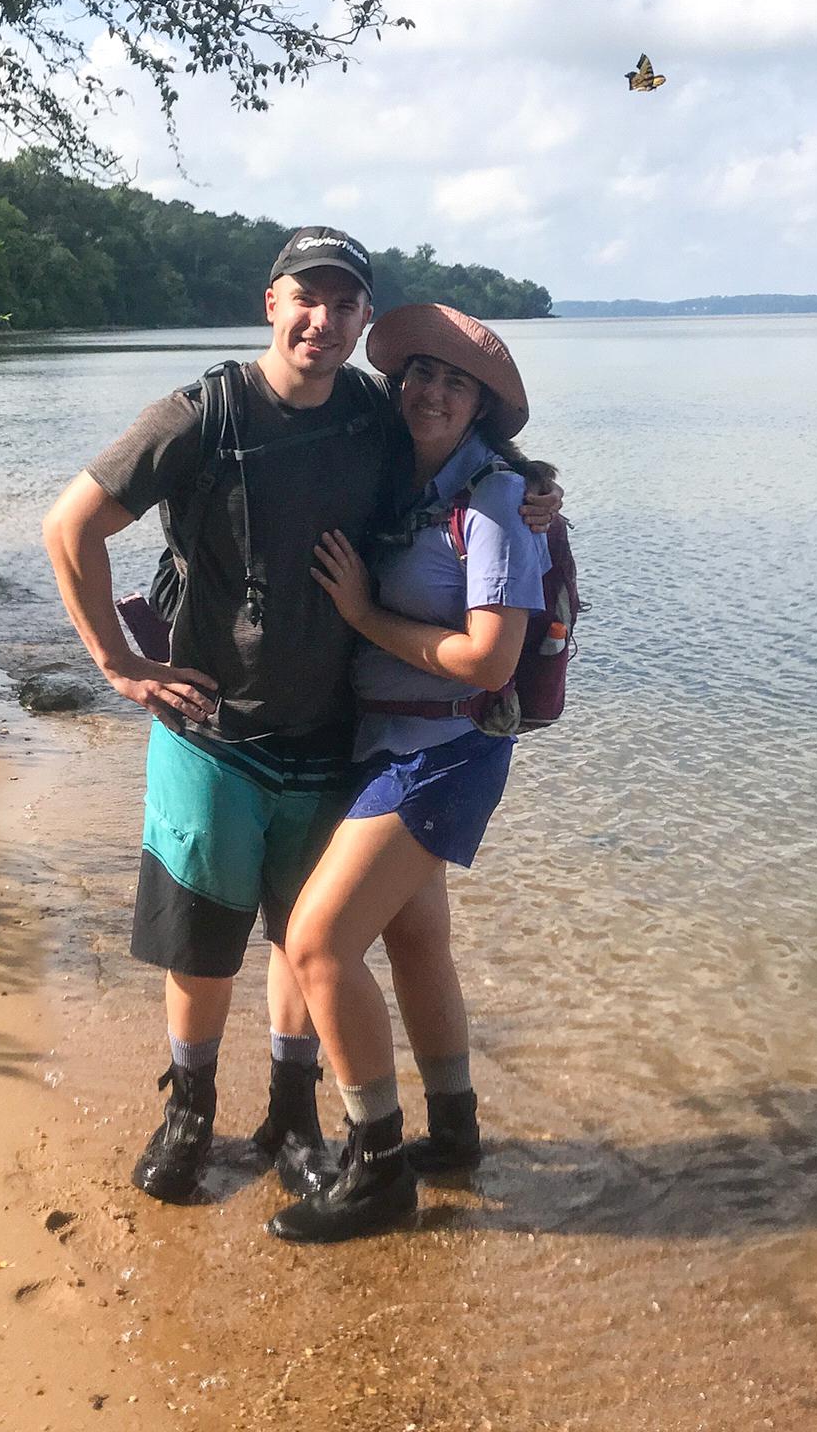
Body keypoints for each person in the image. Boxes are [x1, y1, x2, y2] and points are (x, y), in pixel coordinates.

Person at [41, 234, 559, 1206]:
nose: (323, 319)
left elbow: (465, 462)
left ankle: (294, 1111)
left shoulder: (376, 412)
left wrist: (532, 488)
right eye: (306, 298)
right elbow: (70, 525)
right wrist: (118, 661)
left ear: (364, 322)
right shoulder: (200, 413)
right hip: (212, 726)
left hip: (330, 736)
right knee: (200, 937)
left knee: (301, 937)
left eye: (344, 303)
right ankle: (189, 1111)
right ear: (270, 302)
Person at [268, 304, 551, 1243]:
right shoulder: (400, 481)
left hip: (449, 748)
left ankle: (380, 1166)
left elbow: (490, 661)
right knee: (416, 941)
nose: (430, 390)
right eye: (419, 373)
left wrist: (360, 616)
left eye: (453, 381)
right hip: (387, 741)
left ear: (481, 407)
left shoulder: (500, 502)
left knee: (316, 947)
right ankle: (455, 1130)